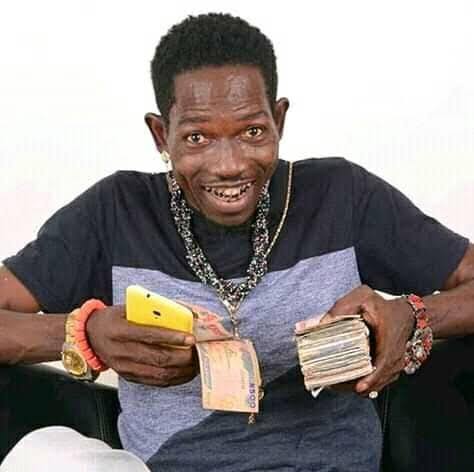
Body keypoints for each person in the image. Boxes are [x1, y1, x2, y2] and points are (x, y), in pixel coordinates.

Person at [0, 12, 473, 472]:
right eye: (197, 137)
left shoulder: (341, 196)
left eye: (252, 131)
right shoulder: (116, 210)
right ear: (161, 133)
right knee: (45, 455)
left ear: (279, 120)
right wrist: (84, 333)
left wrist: (415, 315)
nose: (229, 165)